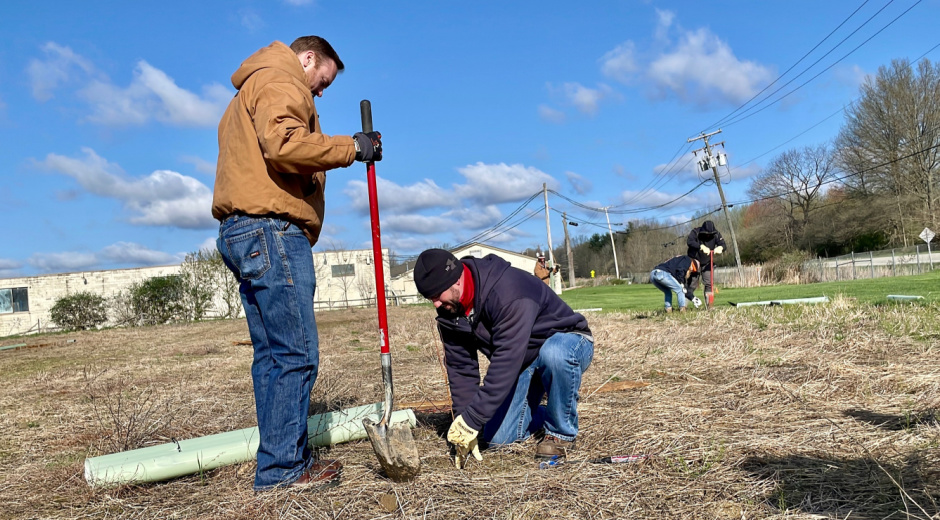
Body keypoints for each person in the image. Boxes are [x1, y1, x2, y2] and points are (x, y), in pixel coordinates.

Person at [211, 36, 382, 491]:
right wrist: (353, 147)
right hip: (272, 230)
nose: (319, 93)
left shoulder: (247, 90)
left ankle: (277, 466)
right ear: (308, 59)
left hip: (242, 231)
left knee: (271, 356)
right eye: (321, 81)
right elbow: (285, 145)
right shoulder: (280, 80)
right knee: (296, 354)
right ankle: (284, 470)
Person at [413, 249, 594, 467]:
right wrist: (466, 424)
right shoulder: (450, 313)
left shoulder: (507, 292)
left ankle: (560, 433)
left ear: (457, 280)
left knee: (554, 353)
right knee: (499, 439)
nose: (435, 304)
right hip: (525, 359)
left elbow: (506, 361)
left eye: (436, 295)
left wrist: (474, 418)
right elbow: (461, 369)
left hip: (568, 341)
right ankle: (550, 411)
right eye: (429, 298)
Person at [686, 220, 726, 304]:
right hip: (695, 260)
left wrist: (720, 248)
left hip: (707, 261)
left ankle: (710, 306)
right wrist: (700, 246)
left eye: (710, 234)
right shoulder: (695, 232)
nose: (708, 235)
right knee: (692, 284)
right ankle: (683, 306)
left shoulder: (716, 234)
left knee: (709, 284)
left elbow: (723, 244)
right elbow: (689, 242)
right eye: (706, 234)